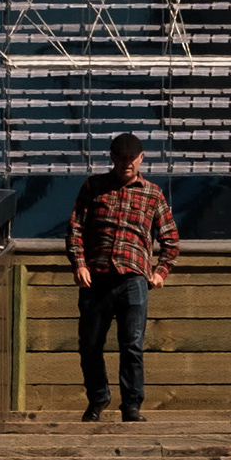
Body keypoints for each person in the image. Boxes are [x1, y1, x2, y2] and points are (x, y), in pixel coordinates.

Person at [67, 131, 179, 423]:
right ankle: (98, 398)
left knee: (132, 345)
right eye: (121, 158)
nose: (126, 164)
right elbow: (76, 228)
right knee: (90, 344)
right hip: (96, 276)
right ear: (112, 158)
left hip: (133, 278)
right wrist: (79, 264)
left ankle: (131, 405)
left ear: (141, 159)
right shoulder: (94, 186)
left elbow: (171, 240)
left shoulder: (152, 193)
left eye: (132, 159)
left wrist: (160, 272)